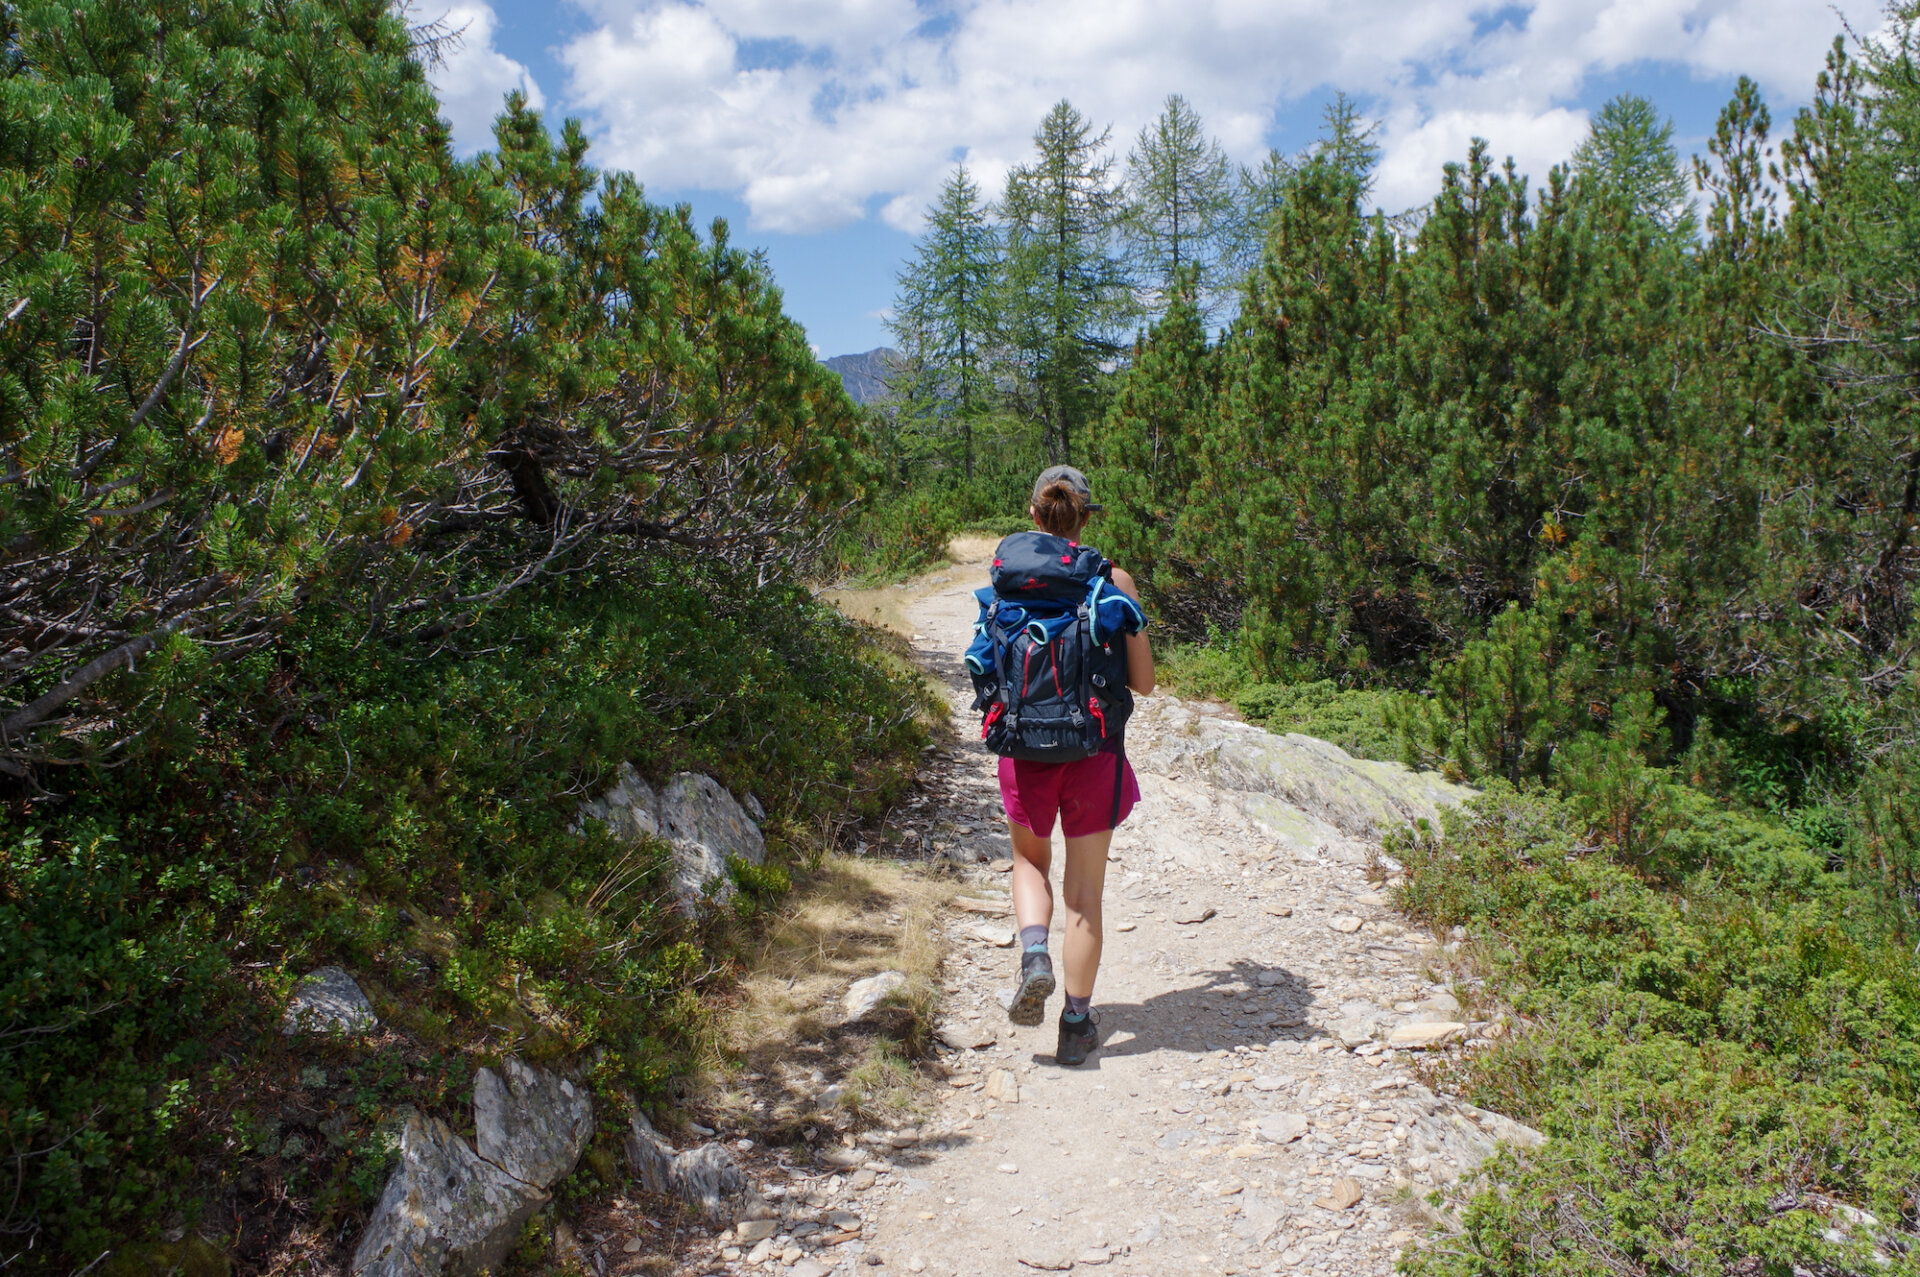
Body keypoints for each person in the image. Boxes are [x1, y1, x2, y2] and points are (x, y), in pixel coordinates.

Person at [998, 465, 1154, 1065]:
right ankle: (1076, 1024)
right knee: (1085, 895)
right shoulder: (1113, 580)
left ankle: (1034, 952)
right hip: (1095, 751)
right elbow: (1143, 682)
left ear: (1033, 516)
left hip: (1023, 750)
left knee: (1028, 862)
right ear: (1086, 519)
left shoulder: (1007, 576)